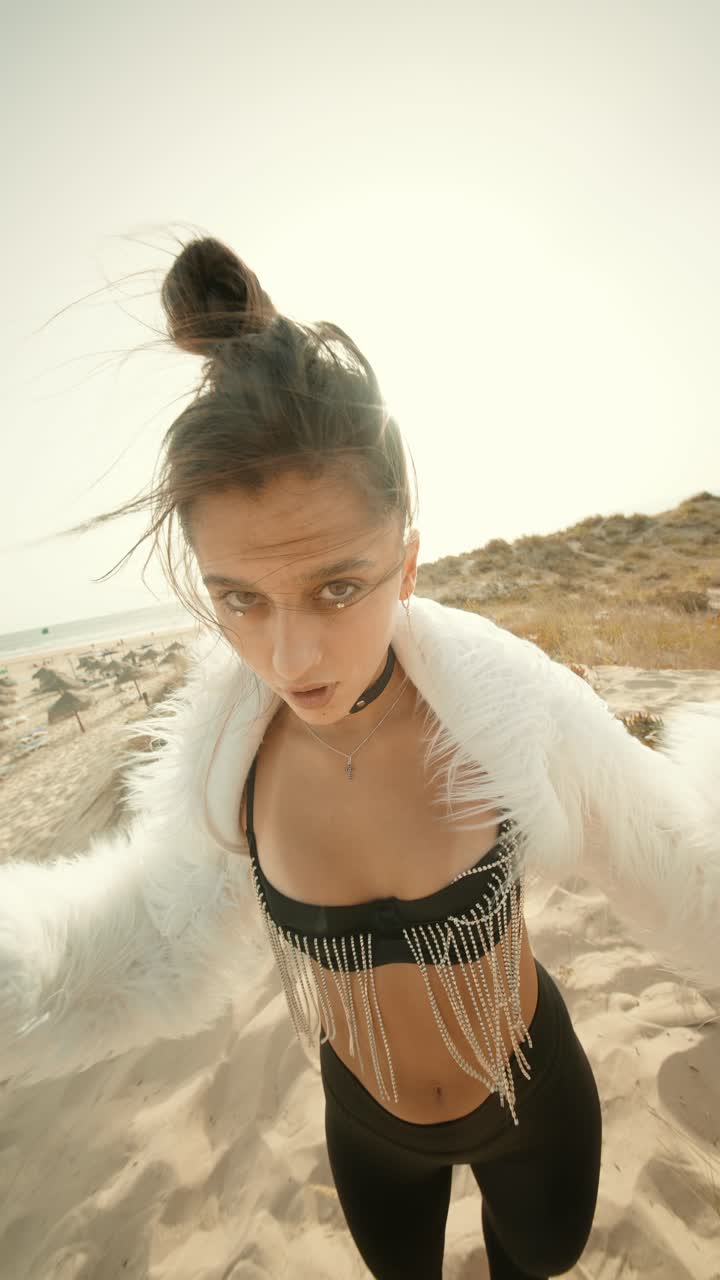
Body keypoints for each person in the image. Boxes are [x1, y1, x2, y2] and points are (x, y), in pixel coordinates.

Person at [1, 236, 718, 1280]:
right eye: (239, 598)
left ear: (408, 562)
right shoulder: (226, 771)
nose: (290, 657)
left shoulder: (510, 718)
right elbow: (120, 950)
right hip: (370, 1129)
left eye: (338, 587)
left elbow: (683, 862)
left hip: (534, 1103)